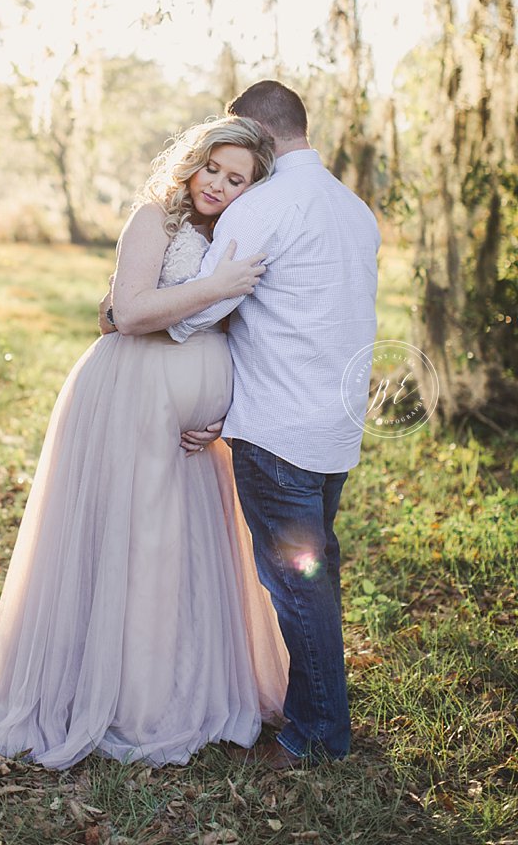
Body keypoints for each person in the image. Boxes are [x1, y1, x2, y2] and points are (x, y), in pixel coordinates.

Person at [0, 116, 289, 769]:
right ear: (193, 162)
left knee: (179, 550)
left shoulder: (238, 232)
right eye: (214, 168)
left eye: (237, 179)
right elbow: (130, 312)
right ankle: (120, 697)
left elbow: (250, 336)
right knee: (132, 539)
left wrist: (228, 413)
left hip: (199, 433)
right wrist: (215, 286)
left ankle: (179, 688)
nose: (219, 185)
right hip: (128, 400)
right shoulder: (154, 220)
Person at [165, 80, 381, 769]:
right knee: (313, 580)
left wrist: (134, 307)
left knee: (297, 585)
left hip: (277, 431)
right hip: (333, 430)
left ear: (251, 130)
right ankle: (319, 717)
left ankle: (318, 736)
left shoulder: (262, 205)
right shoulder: (356, 212)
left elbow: (193, 312)